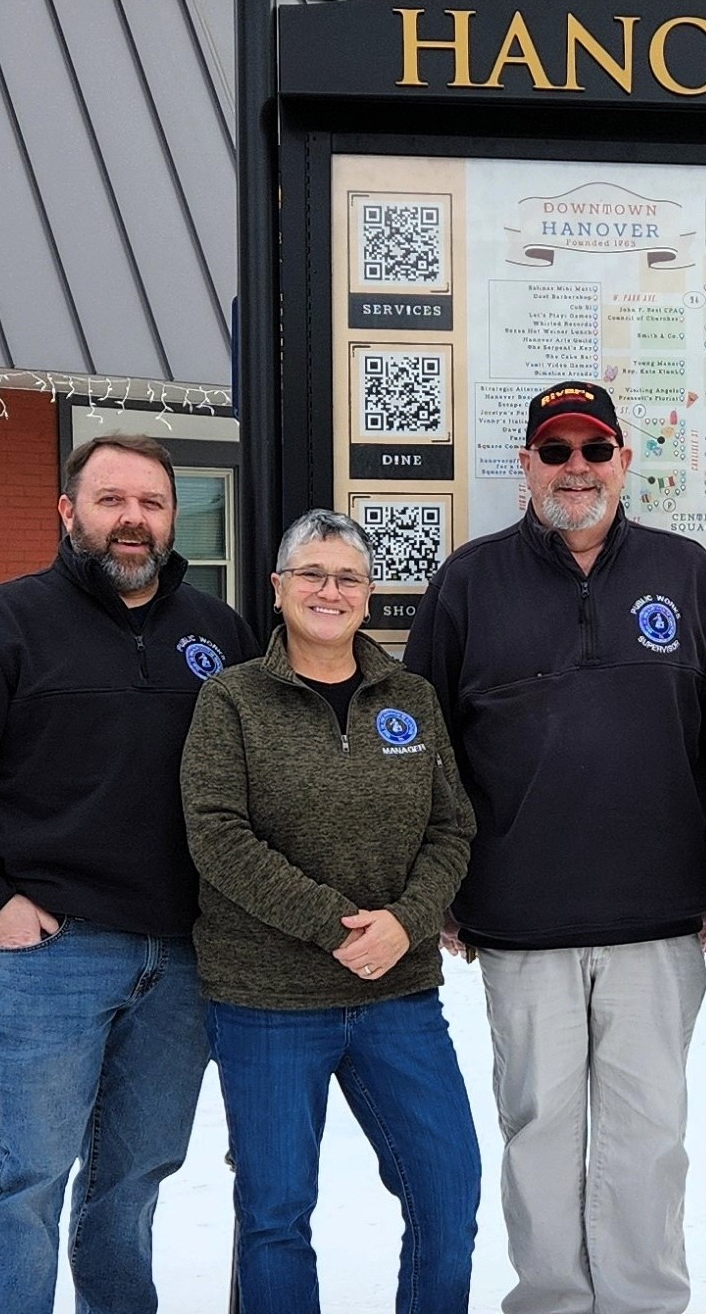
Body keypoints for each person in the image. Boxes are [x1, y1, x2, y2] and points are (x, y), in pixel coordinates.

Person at [0, 433, 258, 1314]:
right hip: (57, 952)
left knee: (134, 1177)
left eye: (152, 502)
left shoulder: (219, 633)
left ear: (174, 516)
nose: (133, 519)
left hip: (184, 958)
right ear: (68, 510)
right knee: (30, 1175)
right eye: (111, 499)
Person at [404, 379, 706, 1314]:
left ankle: (644, 1305)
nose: (576, 467)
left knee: (650, 1136)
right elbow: (424, 748)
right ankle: (550, 1302)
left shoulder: (688, 573)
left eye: (595, 449)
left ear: (624, 461)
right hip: (519, 918)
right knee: (538, 1132)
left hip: (659, 914)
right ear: (526, 466)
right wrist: (441, 887)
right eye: (555, 451)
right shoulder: (468, 582)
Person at [180, 507, 480, 1314]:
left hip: (398, 994)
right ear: (278, 588)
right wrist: (335, 924)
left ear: (369, 594)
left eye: (348, 576)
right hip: (268, 1001)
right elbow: (218, 835)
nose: (330, 590)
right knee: (275, 1215)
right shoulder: (232, 699)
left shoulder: (410, 697)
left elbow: (452, 826)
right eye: (311, 573)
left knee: (448, 1191)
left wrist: (406, 921)